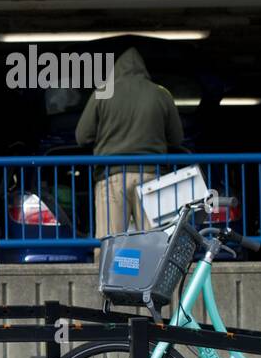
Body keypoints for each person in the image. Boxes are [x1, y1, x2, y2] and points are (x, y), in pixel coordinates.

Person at [76, 47, 184, 246]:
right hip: (153, 176)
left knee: (109, 243)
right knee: (155, 244)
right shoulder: (160, 93)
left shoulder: (103, 92)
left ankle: (106, 278)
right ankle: (154, 278)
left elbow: (82, 136)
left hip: (112, 176)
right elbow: (177, 138)